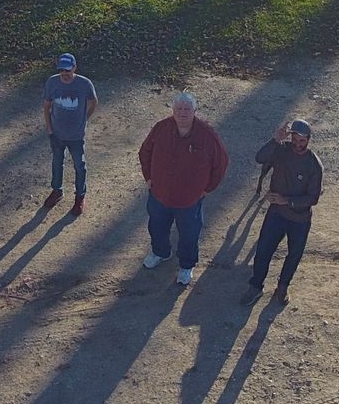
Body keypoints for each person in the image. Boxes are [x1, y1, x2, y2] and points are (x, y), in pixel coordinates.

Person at [137, 91, 229, 287]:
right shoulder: (161, 128)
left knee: (189, 235)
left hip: (189, 200)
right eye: (179, 109)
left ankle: (186, 266)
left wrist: (208, 188)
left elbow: (221, 163)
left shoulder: (207, 135)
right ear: (173, 111)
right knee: (157, 227)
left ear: (195, 111)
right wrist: (149, 177)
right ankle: (160, 253)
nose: (183, 113)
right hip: (159, 194)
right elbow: (145, 151)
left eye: (187, 109)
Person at [241, 119, 323, 307]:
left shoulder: (314, 164)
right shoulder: (281, 150)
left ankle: (283, 286)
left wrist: (287, 200)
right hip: (276, 214)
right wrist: (275, 139)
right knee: (262, 251)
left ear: (309, 140)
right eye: (295, 140)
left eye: (302, 141)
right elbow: (260, 158)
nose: (297, 145)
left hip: (299, 219)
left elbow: (313, 198)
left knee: (294, 254)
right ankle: (255, 286)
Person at [41, 54, 98, 215]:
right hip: (57, 134)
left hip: (76, 136)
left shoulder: (84, 84)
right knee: (57, 162)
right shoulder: (52, 82)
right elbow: (46, 106)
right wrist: (49, 128)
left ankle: (80, 196)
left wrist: (84, 119)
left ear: (74, 67)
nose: (64, 73)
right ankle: (57, 191)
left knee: (80, 166)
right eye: (61, 70)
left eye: (67, 69)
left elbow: (94, 102)